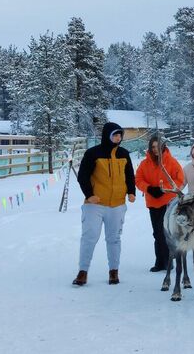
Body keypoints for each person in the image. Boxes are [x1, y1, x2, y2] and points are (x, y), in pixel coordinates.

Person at [73, 122, 136, 286]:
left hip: (117, 205)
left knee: (114, 239)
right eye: (115, 134)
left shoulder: (123, 153)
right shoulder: (93, 153)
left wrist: (131, 192)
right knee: (89, 237)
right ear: (107, 135)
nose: (118, 137)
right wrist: (90, 195)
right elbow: (83, 176)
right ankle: (83, 271)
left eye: (120, 135)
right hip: (95, 205)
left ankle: (114, 271)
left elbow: (129, 174)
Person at [135, 136, 184, 272]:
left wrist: (165, 189)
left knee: (166, 233)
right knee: (157, 233)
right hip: (152, 202)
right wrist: (149, 188)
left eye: (157, 147)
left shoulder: (171, 162)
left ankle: (169, 259)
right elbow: (138, 179)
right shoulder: (145, 164)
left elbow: (179, 179)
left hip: (168, 202)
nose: (155, 150)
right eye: (153, 147)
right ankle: (159, 261)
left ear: (163, 147)